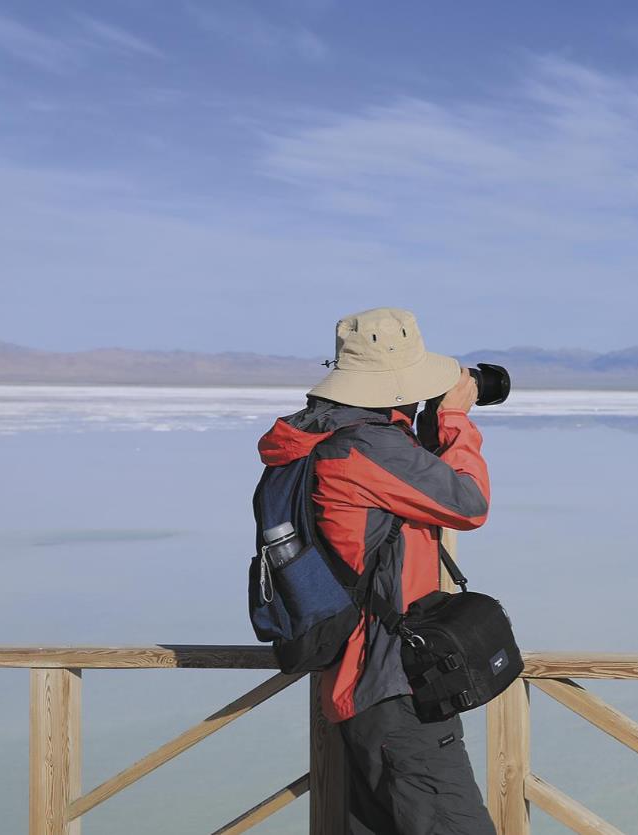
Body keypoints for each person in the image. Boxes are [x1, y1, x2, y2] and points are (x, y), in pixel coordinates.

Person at [257, 307, 495, 835]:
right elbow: (470, 504)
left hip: (358, 681)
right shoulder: (368, 445)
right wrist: (455, 420)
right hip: (394, 688)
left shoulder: (326, 437)